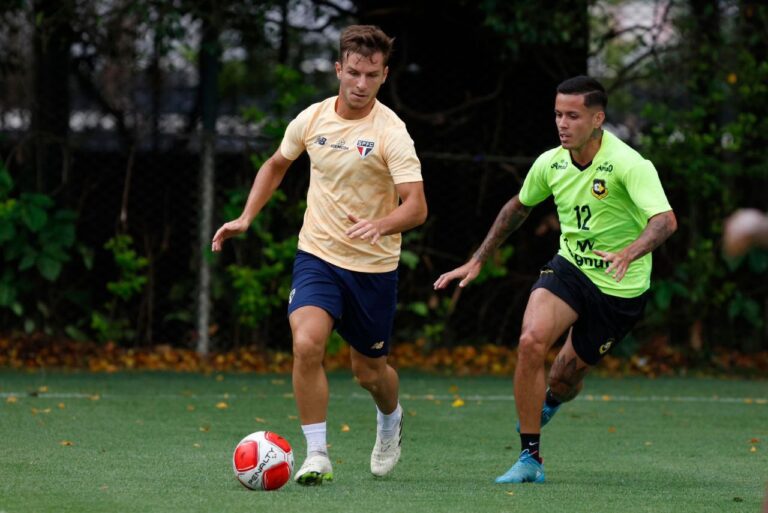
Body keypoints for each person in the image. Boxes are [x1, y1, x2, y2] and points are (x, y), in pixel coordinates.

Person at [434, 76, 677, 484]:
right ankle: (530, 458)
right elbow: (518, 207)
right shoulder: (551, 163)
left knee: (565, 377)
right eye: (558, 114)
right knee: (530, 341)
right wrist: (478, 259)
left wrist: (627, 253)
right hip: (570, 269)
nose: (563, 123)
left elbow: (665, 221)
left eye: (573, 116)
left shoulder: (630, 164)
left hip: (620, 288)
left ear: (597, 118)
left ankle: (551, 399)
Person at [212, 25, 427, 485]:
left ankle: (391, 418)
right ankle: (317, 455)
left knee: (370, 372)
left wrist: (382, 224)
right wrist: (246, 217)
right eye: (353, 72)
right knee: (307, 343)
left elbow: (416, 206)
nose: (360, 84)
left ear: (384, 75)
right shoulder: (311, 119)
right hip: (318, 255)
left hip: (373, 267)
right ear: (338, 69)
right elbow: (276, 165)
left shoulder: (392, 132)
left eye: (371, 75)